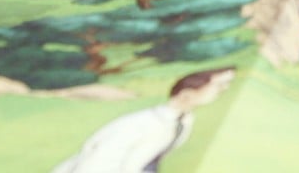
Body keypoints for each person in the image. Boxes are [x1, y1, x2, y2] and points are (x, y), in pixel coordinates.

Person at [52, 66, 236, 173]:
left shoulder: (184, 121)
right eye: (218, 85)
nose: (223, 90)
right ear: (187, 93)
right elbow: (97, 162)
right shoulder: (142, 123)